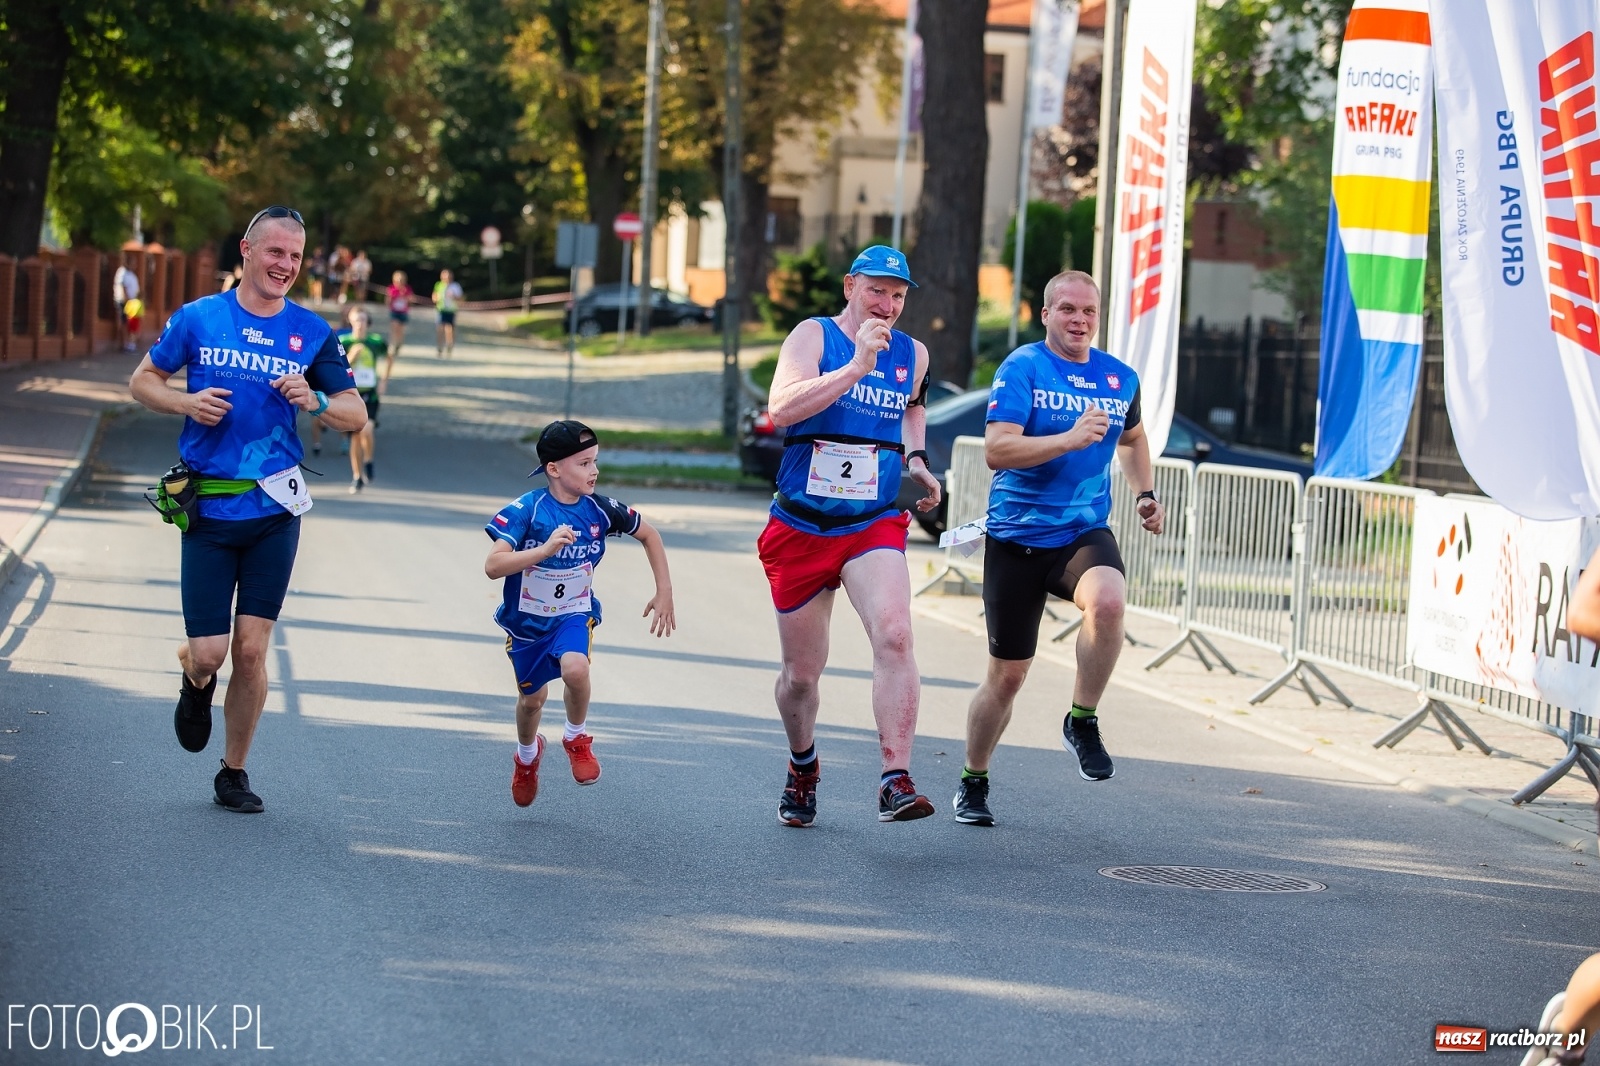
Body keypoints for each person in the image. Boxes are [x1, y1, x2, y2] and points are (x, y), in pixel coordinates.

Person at [128, 205, 366, 813]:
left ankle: (233, 771)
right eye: (275, 252)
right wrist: (185, 402)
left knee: (252, 650)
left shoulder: (312, 332)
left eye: (295, 256)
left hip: (275, 512)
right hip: (208, 510)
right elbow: (143, 380)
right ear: (247, 250)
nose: (286, 265)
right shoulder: (199, 318)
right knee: (211, 651)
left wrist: (314, 399)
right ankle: (193, 675)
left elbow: (355, 414)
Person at [951, 270, 1165, 827]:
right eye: (1067, 309)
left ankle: (1082, 719)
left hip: (1081, 531)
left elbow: (1135, 438)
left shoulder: (1119, 378)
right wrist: (1069, 438)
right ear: (1045, 314)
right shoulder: (1023, 367)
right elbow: (997, 450)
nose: (1079, 320)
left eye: (1089, 311)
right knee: (1008, 676)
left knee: (1111, 601)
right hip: (1018, 537)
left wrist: (1145, 493)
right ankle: (973, 780)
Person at [756, 245, 943, 826]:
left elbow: (911, 407)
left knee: (894, 634)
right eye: (876, 291)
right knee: (802, 678)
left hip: (872, 521)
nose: (886, 306)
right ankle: (803, 765)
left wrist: (915, 458)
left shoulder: (912, 353)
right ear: (849, 287)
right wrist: (857, 366)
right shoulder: (813, 337)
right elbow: (781, 409)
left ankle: (895, 777)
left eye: (897, 295)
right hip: (801, 525)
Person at [483, 420, 675, 808]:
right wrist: (543, 551)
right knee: (532, 702)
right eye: (584, 464)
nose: (595, 472)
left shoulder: (600, 509)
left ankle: (576, 737)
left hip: (574, 612)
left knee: (576, 668)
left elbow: (649, 534)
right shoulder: (528, 510)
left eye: (595, 462)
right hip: (527, 624)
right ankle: (526, 756)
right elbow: (493, 565)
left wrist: (664, 592)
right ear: (554, 469)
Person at [335, 306, 386, 492]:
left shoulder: (376, 341)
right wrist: (351, 357)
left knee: (367, 429)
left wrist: (384, 381)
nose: (360, 324)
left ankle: (369, 460)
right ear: (350, 321)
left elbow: (389, 356)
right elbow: (336, 368)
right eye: (356, 320)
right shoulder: (343, 341)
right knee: (356, 435)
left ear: (368, 323)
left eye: (363, 320)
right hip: (351, 395)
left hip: (370, 394)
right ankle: (357, 476)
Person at [432, 269, 464, 358]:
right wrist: (437, 298)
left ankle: (449, 345)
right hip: (441, 310)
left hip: (451, 310)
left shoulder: (455, 286)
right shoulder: (439, 285)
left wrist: (454, 297)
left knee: (449, 329)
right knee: (440, 329)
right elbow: (434, 297)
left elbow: (461, 299)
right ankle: (440, 347)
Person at [113, 259, 140, 352]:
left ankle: (129, 344)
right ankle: (123, 344)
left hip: (132, 303)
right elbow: (123, 287)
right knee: (123, 322)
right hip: (123, 302)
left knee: (131, 323)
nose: (134, 265)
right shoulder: (122, 272)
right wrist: (127, 299)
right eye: (132, 263)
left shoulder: (132, 275)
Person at [386, 270, 412, 359]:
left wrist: (405, 296)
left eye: (401, 280)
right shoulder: (392, 289)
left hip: (403, 312)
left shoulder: (407, 289)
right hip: (394, 311)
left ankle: (399, 344)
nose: (399, 282)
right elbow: (387, 301)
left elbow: (411, 301)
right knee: (394, 327)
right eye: (398, 280)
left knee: (401, 330)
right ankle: (392, 344)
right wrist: (392, 296)